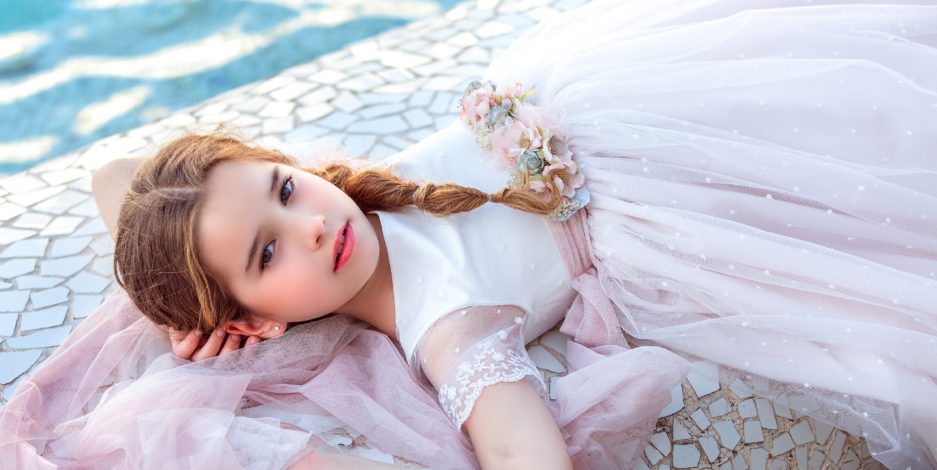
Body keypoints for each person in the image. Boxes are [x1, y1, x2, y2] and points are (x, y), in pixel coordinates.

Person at [2, 0, 936, 468]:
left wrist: (190, 294)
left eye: (284, 190)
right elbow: (525, 451)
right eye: (266, 253)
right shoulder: (447, 328)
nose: (309, 223)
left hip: (630, 103)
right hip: (671, 203)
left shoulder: (354, 202)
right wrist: (210, 311)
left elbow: (112, 177)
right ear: (258, 317)